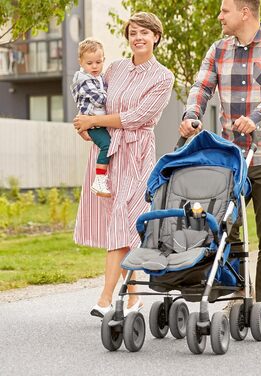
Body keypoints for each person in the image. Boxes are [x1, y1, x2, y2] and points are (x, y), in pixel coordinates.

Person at [179, 0, 261, 328]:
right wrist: (191, 115)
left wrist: (257, 116)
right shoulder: (218, 50)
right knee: (223, 225)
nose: (219, 16)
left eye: (224, 10)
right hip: (232, 160)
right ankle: (236, 292)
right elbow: (200, 88)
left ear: (244, 12)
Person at [73, 12, 174, 318]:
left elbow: (137, 117)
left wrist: (94, 120)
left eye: (144, 32)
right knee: (122, 226)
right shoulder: (114, 68)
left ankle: (105, 298)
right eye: (133, 33)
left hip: (137, 153)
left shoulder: (162, 77)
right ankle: (133, 300)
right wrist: (85, 127)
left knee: (123, 218)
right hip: (109, 154)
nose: (138, 37)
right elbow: (92, 99)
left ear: (156, 36)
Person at [71, 38, 112, 198]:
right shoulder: (84, 80)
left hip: (97, 121)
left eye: (98, 62)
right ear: (81, 62)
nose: (94, 66)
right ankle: (100, 179)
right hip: (93, 124)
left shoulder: (98, 78)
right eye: (90, 63)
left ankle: (103, 177)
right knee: (107, 146)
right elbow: (99, 99)